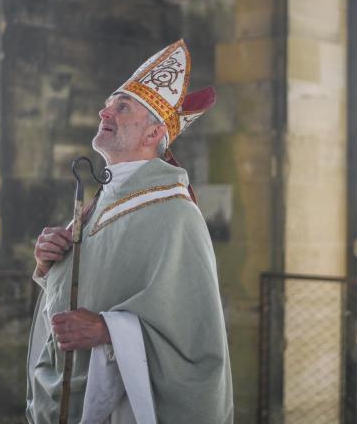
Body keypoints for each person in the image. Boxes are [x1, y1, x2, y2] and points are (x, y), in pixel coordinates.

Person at [26, 39, 233, 424]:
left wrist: (107, 329)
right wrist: (48, 262)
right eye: (109, 104)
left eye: (122, 107)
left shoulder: (175, 214)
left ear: (153, 133)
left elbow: (193, 335)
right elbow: (83, 287)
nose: (104, 111)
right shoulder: (102, 199)